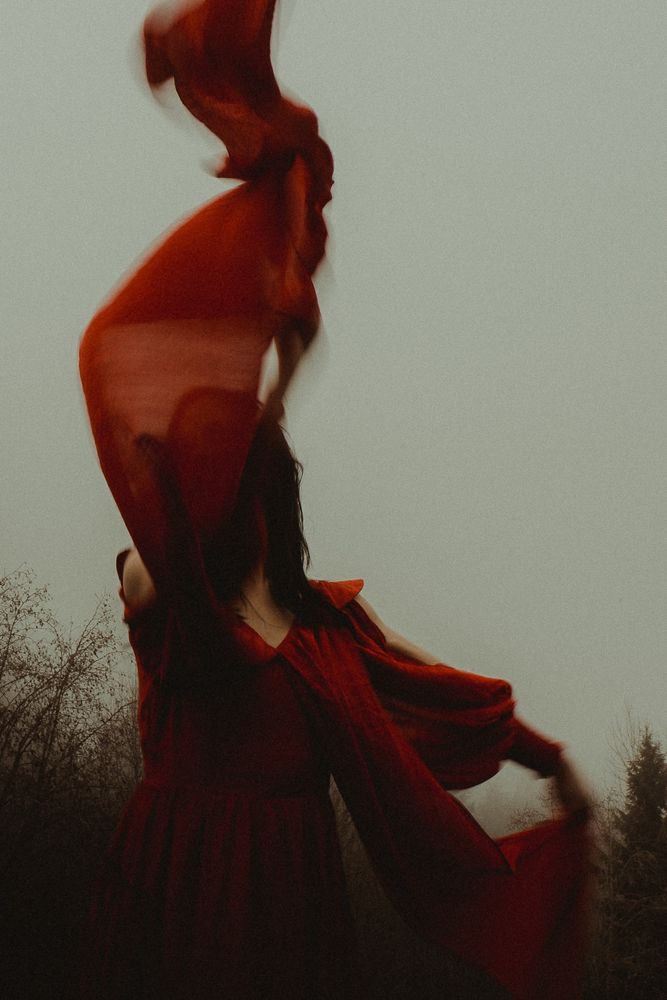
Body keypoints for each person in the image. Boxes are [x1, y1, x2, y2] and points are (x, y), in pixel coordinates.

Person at [79, 2, 592, 997]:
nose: (235, 464)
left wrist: (547, 757)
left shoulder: (326, 626)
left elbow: (429, 688)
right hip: (178, 888)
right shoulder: (170, 590)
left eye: (247, 456)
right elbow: (165, 530)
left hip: (290, 897)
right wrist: (220, 398)